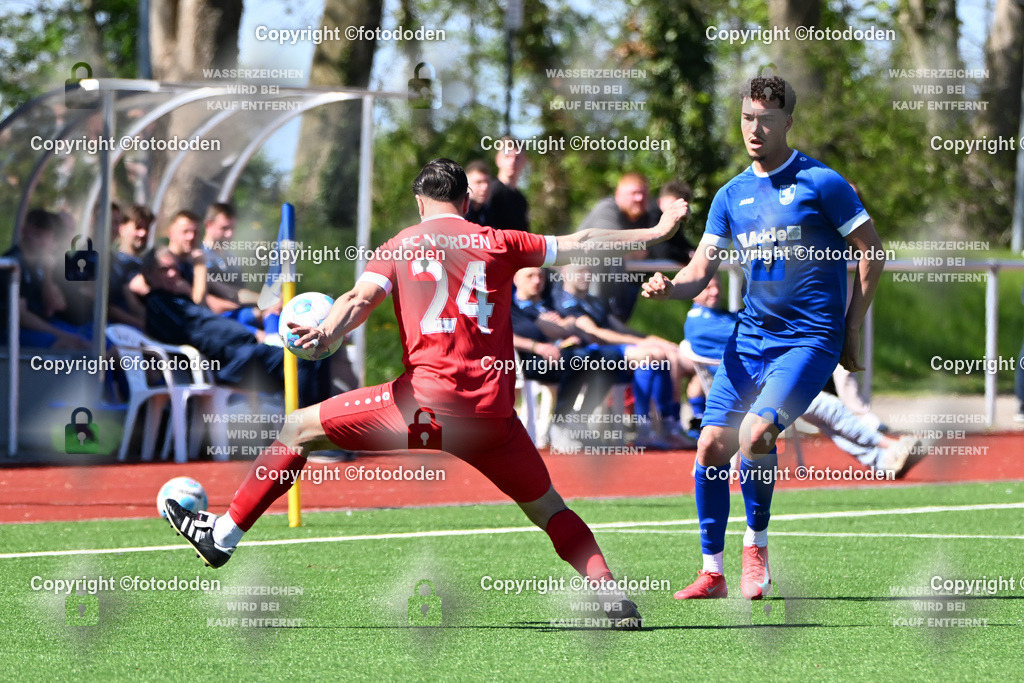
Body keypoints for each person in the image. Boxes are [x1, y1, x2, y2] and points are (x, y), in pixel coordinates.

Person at [164, 158, 691, 629]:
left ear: (420, 204)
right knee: (549, 506)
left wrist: (326, 332)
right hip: (491, 417)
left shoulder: (398, 245)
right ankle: (610, 595)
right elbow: (584, 244)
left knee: (296, 429)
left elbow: (357, 300)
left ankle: (222, 535)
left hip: (421, 408)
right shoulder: (500, 240)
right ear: (466, 202)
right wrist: (658, 228)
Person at [642, 74, 886, 600]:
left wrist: (851, 326)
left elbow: (873, 252)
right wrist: (670, 288)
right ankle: (712, 570)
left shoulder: (823, 183)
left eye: (766, 120)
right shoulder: (731, 194)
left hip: (809, 340)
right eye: (748, 118)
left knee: (754, 436)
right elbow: (699, 269)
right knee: (709, 445)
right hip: (748, 339)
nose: (755, 129)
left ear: (787, 123)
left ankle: (756, 544)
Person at [685, 275, 922, 477]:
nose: (714, 290)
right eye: (707, 286)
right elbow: (762, 333)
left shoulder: (721, 317)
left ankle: (882, 461)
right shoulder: (701, 323)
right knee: (827, 408)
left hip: (764, 388)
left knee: (825, 415)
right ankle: (891, 445)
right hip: (749, 397)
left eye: (716, 284)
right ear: (694, 290)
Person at [138, 246, 331, 406]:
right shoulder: (157, 303)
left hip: (244, 352)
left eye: (175, 268)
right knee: (304, 357)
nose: (173, 274)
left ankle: (324, 433)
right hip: (227, 364)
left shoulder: (178, 299)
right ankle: (311, 434)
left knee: (316, 353)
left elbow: (208, 319)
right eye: (164, 269)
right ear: (149, 274)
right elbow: (196, 333)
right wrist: (253, 335)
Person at [555, 262, 696, 449]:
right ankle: (644, 429)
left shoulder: (594, 301)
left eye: (588, 270)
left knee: (664, 354)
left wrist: (655, 339)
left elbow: (621, 329)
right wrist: (644, 343)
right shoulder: (565, 301)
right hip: (595, 354)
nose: (586, 275)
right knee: (652, 355)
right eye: (580, 271)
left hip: (616, 351)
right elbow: (597, 334)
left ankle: (668, 427)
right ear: (565, 272)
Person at [510, 266, 620, 450]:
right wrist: (537, 346)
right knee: (582, 359)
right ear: (516, 279)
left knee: (610, 357)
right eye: (530, 276)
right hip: (529, 362)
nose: (537, 281)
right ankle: (562, 422)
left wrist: (564, 329)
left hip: (562, 355)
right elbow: (504, 335)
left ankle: (576, 420)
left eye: (540, 276)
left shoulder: (550, 301)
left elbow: (571, 321)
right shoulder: (510, 307)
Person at [578, 172, 676, 321]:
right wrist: (634, 249)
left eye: (643, 194)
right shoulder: (607, 209)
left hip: (622, 287)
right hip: (583, 288)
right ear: (618, 194)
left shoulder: (646, 217)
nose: (640, 198)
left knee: (616, 325)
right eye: (634, 193)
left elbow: (662, 248)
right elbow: (608, 244)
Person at [1, 208, 89, 349]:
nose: (42, 243)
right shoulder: (13, 264)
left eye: (46, 237)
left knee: (87, 338)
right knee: (69, 344)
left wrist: (48, 274)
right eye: (37, 235)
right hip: (13, 332)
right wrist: (61, 334)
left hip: (40, 325)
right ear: (24, 231)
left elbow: (54, 306)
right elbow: (21, 317)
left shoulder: (39, 264)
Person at [199, 202, 280, 335]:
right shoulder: (200, 257)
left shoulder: (231, 258)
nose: (229, 234)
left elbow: (242, 292)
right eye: (224, 228)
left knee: (275, 313)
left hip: (241, 314)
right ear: (208, 225)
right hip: (218, 320)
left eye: (232, 228)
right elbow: (232, 294)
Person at [108, 204, 154, 329]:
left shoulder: (149, 264)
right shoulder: (112, 263)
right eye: (138, 227)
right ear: (121, 228)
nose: (143, 233)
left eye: (147, 229)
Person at [647, 181, 697, 264]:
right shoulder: (650, 214)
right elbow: (661, 251)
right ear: (660, 201)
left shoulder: (677, 215)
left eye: (682, 206)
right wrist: (686, 256)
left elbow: (678, 240)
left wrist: (696, 252)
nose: (678, 209)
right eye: (673, 205)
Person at [487, 139, 529, 231]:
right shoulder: (490, 192)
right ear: (498, 160)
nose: (512, 161)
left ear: (524, 161)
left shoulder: (521, 199)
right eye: (507, 157)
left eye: (517, 157)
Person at [463, 160, 493, 227]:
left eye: (488, 182)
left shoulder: (489, 212)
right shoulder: (459, 212)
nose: (485, 187)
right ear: (466, 185)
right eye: (478, 182)